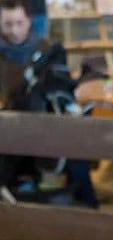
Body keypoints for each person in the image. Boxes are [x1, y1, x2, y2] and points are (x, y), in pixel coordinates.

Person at [0, 0, 98, 208]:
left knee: (74, 154)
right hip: (11, 130)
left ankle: (91, 213)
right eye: (8, 24)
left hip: (44, 127)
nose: (14, 30)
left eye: (19, 23)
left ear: (28, 21)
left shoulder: (46, 51)